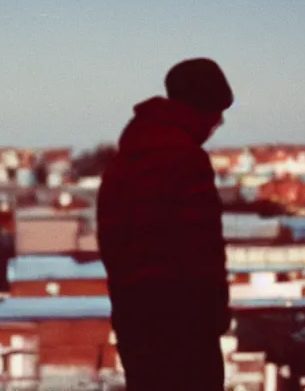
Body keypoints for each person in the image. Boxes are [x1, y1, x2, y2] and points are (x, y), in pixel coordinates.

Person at [97, 57, 234, 390]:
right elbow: (202, 248)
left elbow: (112, 244)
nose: (218, 124)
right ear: (204, 108)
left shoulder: (125, 159)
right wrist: (214, 314)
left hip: (134, 320)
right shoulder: (186, 159)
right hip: (183, 326)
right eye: (217, 113)